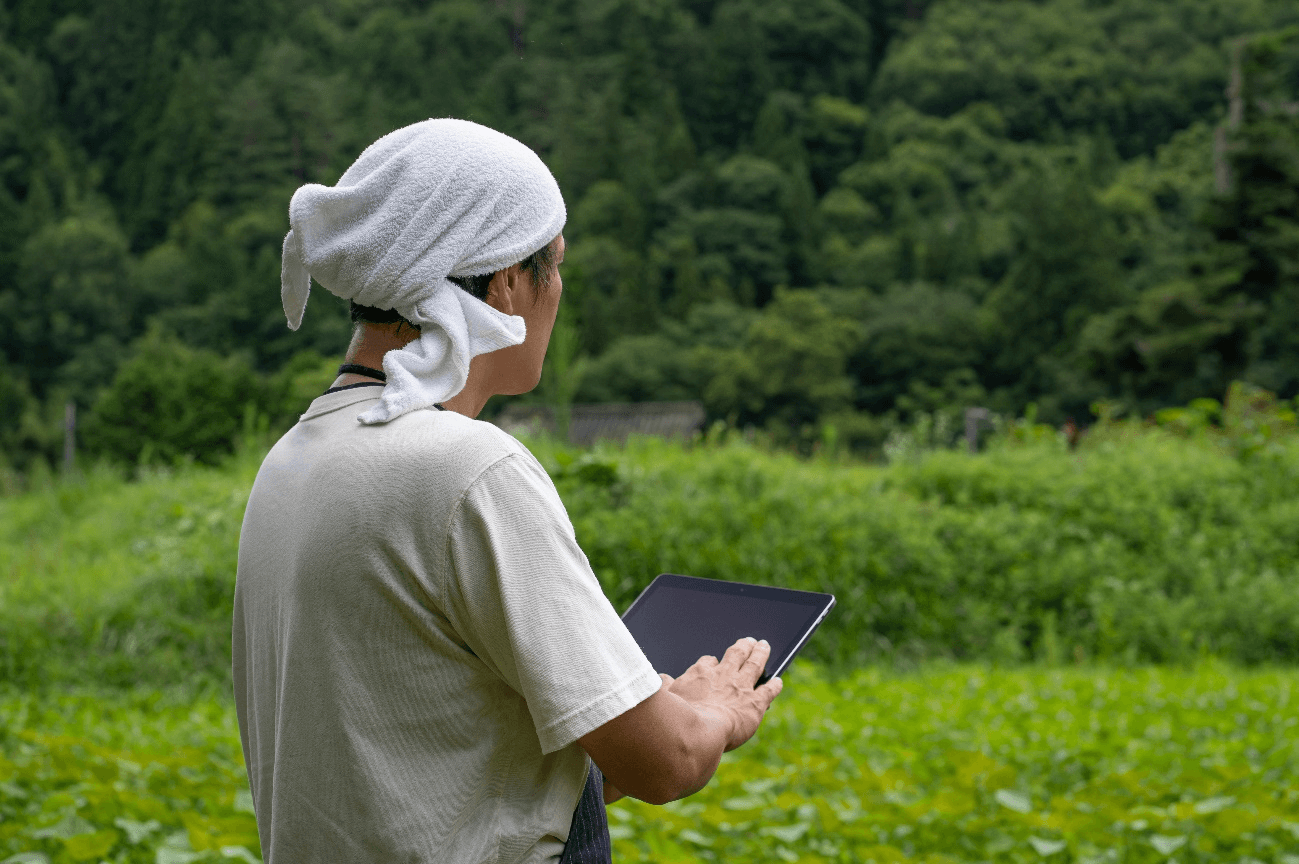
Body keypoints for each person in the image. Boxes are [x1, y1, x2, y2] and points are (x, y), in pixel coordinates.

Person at [233, 118, 783, 864]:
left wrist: (625, 713)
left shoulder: (295, 460)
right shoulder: (466, 469)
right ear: (505, 286)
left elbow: (416, 768)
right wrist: (712, 713)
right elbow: (669, 764)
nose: (558, 291)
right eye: (552, 265)